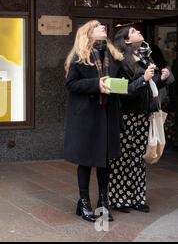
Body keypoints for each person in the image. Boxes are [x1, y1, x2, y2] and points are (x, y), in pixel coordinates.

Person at [64, 20, 124, 223]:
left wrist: (150, 78)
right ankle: (84, 202)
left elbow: (126, 83)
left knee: (105, 161)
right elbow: (71, 84)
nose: (103, 28)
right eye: (98, 27)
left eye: (103, 27)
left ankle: (103, 202)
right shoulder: (81, 57)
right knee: (86, 160)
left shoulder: (114, 56)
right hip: (87, 117)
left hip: (108, 115)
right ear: (89, 33)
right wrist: (97, 84)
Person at [109, 27, 172, 213]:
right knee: (122, 159)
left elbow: (150, 84)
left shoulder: (146, 56)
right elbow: (121, 90)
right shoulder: (119, 60)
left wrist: (162, 78)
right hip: (126, 115)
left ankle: (138, 197)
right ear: (126, 40)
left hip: (143, 114)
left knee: (138, 158)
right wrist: (144, 78)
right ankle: (120, 199)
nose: (139, 32)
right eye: (134, 31)